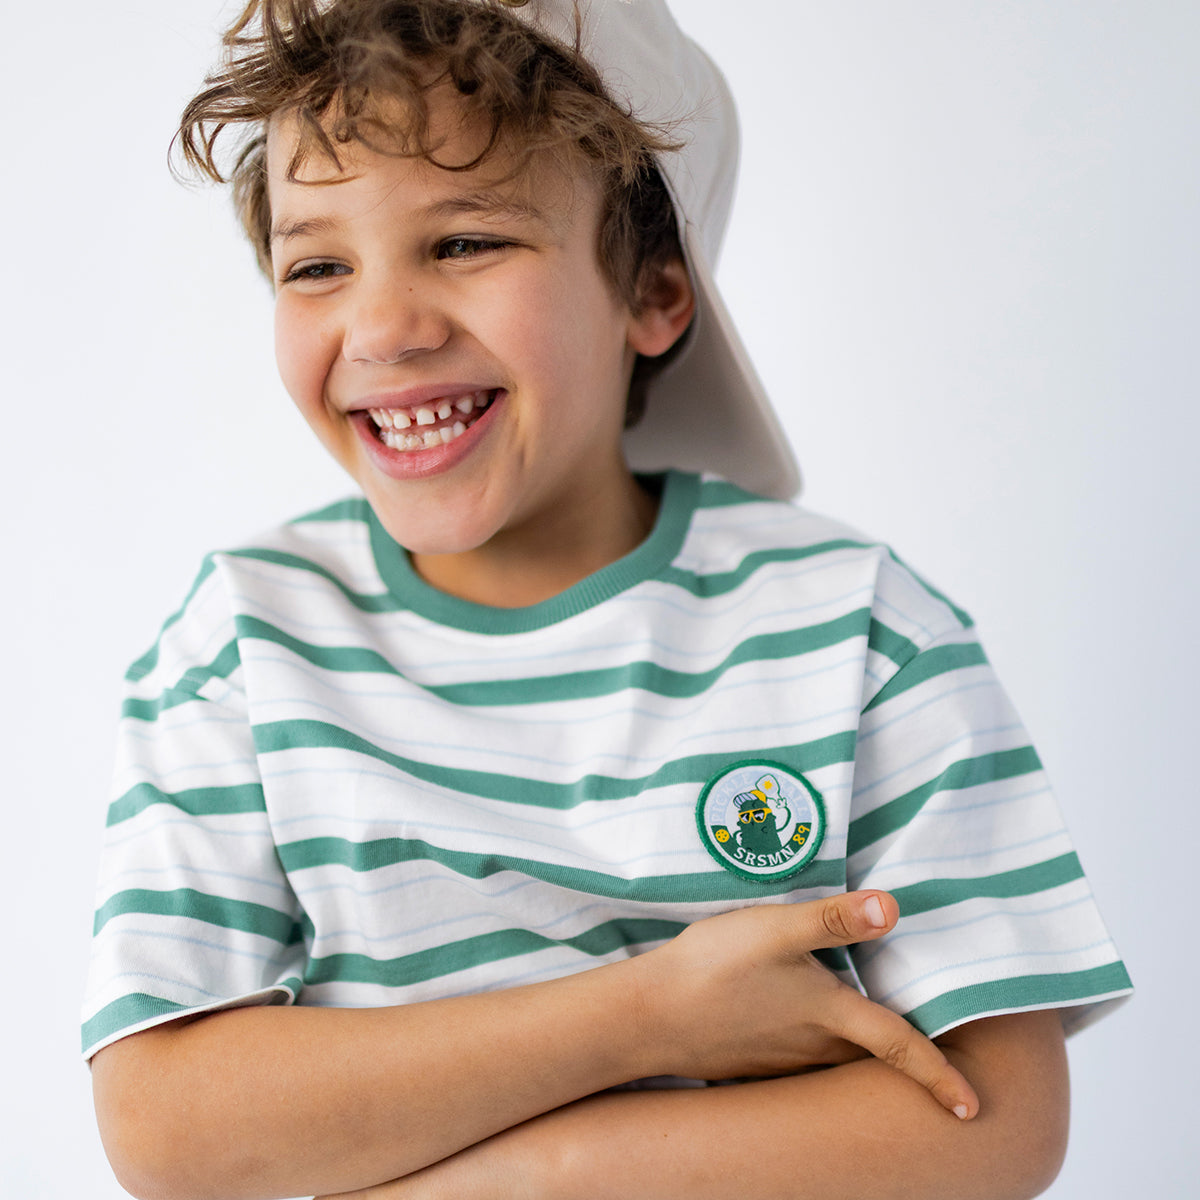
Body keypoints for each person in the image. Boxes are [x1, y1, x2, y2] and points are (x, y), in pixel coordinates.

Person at [83, 2, 1132, 1197]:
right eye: (318, 264)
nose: (381, 327)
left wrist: (547, 1173)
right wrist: (647, 1018)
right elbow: (169, 1132)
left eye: (464, 242)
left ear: (653, 297)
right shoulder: (241, 647)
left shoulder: (859, 629)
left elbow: (996, 1124)